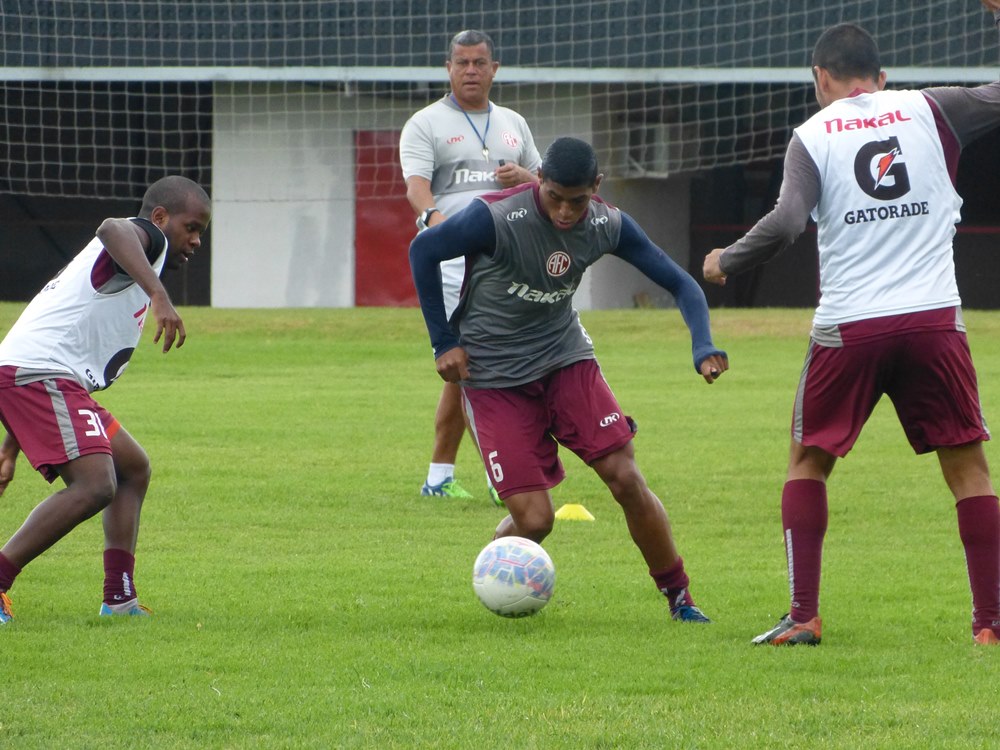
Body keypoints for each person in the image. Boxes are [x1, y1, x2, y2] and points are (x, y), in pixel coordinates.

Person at [704, 3, 1000, 646]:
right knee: (969, 471)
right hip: (933, 322)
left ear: (821, 77)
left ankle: (803, 615)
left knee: (808, 462)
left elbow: (787, 222)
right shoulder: (934, 107)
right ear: (882, 77)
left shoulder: (813, 134)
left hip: (850, 328)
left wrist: (727, 259)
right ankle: (991, 625)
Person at [410, 136, 729, 622]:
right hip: (494, 376)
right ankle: (498, 570)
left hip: (565, 360)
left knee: (626, 478)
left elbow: (681, 283)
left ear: (596, 187)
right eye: (554, 197)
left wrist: (703, 345)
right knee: (536, 521)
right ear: (539, 179)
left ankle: (679, 596)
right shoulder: (494, 217)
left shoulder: (606, 224)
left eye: (576, 201)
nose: (564, 211)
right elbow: (423, 251)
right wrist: (443, 341)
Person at [0, 175, 212, 624]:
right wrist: (159, 295)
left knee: (132, 468)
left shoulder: (137, 259)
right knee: (96, 485)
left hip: (44, 375)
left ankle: (119, 598)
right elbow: (112, 227)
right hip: (42, 374)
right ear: (160, 217)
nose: (195, 241)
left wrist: (10, 448)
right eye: (192, 227)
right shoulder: (147, 238)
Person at [400, 29, 541, 504]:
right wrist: (440, 228)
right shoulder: (426, 123)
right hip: (452, 266)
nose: (471, 71)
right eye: (462, 63)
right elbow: (417, 187)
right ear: (449, 68)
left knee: (466, 368)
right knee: (477, 367)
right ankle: (505, 478)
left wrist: (525, 176)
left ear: (494, 69)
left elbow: (546, 185)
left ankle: (439, 477)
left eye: (479, 62)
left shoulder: (514, 123)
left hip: (508, 262)